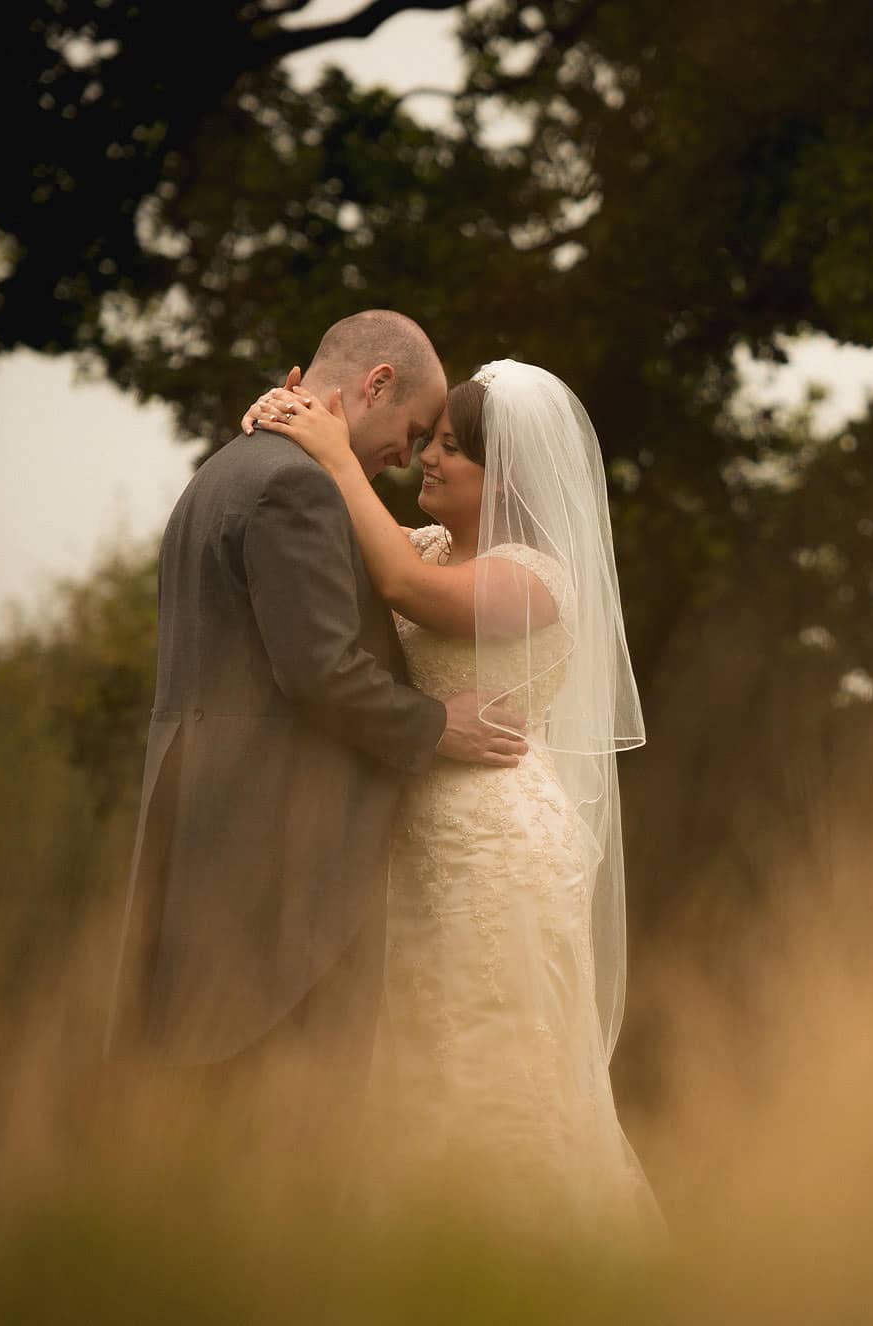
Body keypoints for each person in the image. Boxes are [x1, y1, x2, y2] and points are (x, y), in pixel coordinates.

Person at [243, 357, 664, 1245]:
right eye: (428, 442)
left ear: (504, 476)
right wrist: (297, 417)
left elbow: (402, 589)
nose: (427, 459)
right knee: (420, 1069)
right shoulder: (430, 543)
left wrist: (338, 458)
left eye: (449, 448)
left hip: (499, 847)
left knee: (495, 1066)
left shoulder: (539, 578)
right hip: (426, 839)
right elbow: (352, 549)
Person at [106, 311, 527, 1178]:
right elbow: (321, 670)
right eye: (409, 431)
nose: (408, 460)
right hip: (282, 857)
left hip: (203, 837)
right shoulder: (294, 485)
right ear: (373, 386)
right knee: (285, 1138)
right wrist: (437, 723)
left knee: (205, 1121)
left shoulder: (224, 470)